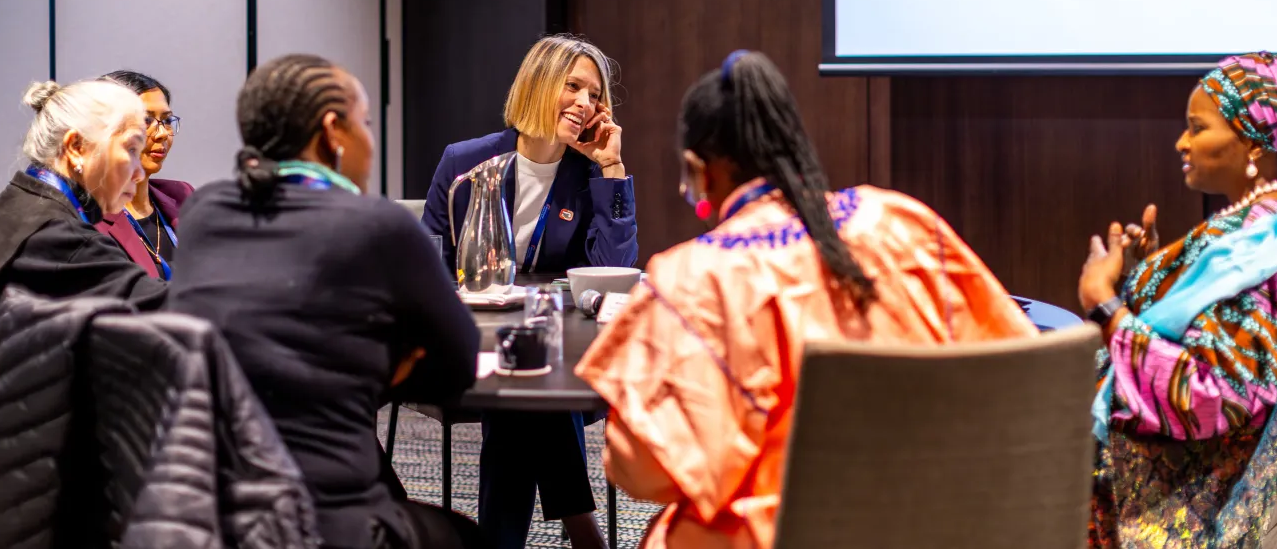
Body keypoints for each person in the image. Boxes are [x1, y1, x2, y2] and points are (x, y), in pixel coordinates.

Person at [575, 50, 1036, 549]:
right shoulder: (902, 222)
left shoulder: (692, 276)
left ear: (697, 171)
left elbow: (642, 473)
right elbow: (1012, 354)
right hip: (941, 521)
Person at [169, 54, 482, 549]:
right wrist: (382, 361)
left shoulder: (204, 213)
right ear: (333, 131)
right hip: (326, 520)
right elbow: (457, 367)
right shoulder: (379, 225)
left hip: (208, 510)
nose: (370, 141)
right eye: (366, 123)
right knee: (466, 537)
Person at [1080, 53, 1277, 549]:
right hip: (1234, 468)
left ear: (1252, 142)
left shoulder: (1255, 256)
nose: (1182, 143)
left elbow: (1211, 396)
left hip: (1191, 490)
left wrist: (1105, 304)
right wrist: (1159, 281)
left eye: (1197, 128)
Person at [422, 34, 637, 549]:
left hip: (560, 362)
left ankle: (510, 541)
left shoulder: (588, 176)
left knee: (525, 390)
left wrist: (611, 168)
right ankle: (582, 526)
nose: (585, 104)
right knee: (525, 390)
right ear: (539, 85)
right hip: (469, 346)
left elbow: (614, 273)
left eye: (594, 94)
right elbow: (431, 261)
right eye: (573, 87)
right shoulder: (465, 163)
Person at [0, 79, 167, 465]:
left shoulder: (24, 207)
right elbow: (170, 312)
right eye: (131, 150)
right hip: (0, 498)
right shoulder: (52, 237)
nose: (141, 173)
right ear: (76, 148)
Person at [98, 70, 192, 279]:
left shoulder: (183, 196)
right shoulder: (88, 219)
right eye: (146, 121)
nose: (162, 133)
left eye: (166, 121)